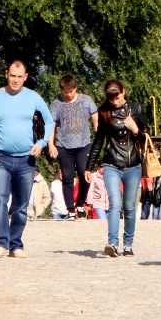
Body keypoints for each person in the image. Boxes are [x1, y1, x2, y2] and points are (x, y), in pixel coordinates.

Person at [0, 60, 54, 258]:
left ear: (26, 77)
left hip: (26, 160)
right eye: (12, 76)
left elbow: (49, 121)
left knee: (21, 206)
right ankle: (1, 243)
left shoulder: (33, 97)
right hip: (1, 159)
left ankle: (16, 244)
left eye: (19, 77)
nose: (15, 80)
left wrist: (40, 143)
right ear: (6, 74)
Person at [85, 79, 146, 258]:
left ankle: (128, 244)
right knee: (114, 203)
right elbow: (98, 141)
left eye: (117, 97)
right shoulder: (104, 112)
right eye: (112, 99)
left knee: (129, 206)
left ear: (123, 92)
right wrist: (90, 167)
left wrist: (136, 130)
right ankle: (112, 242)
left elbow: (147, 137)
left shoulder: (136, 108)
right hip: (111, 163)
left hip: (133, 164)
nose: (115, 102)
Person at [47, 75, 98, 220]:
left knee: (84, 173)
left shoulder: (86, 100)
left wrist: (98, 139)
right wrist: (51, 144)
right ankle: (70, 210)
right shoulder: (57, 104)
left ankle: (81, 203)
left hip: (84, 144)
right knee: (67, 178)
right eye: (65, 92)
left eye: (71, 91)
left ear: (75, 88)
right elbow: (52, 125)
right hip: (64, 145)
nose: (68, 95)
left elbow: (96, 119)